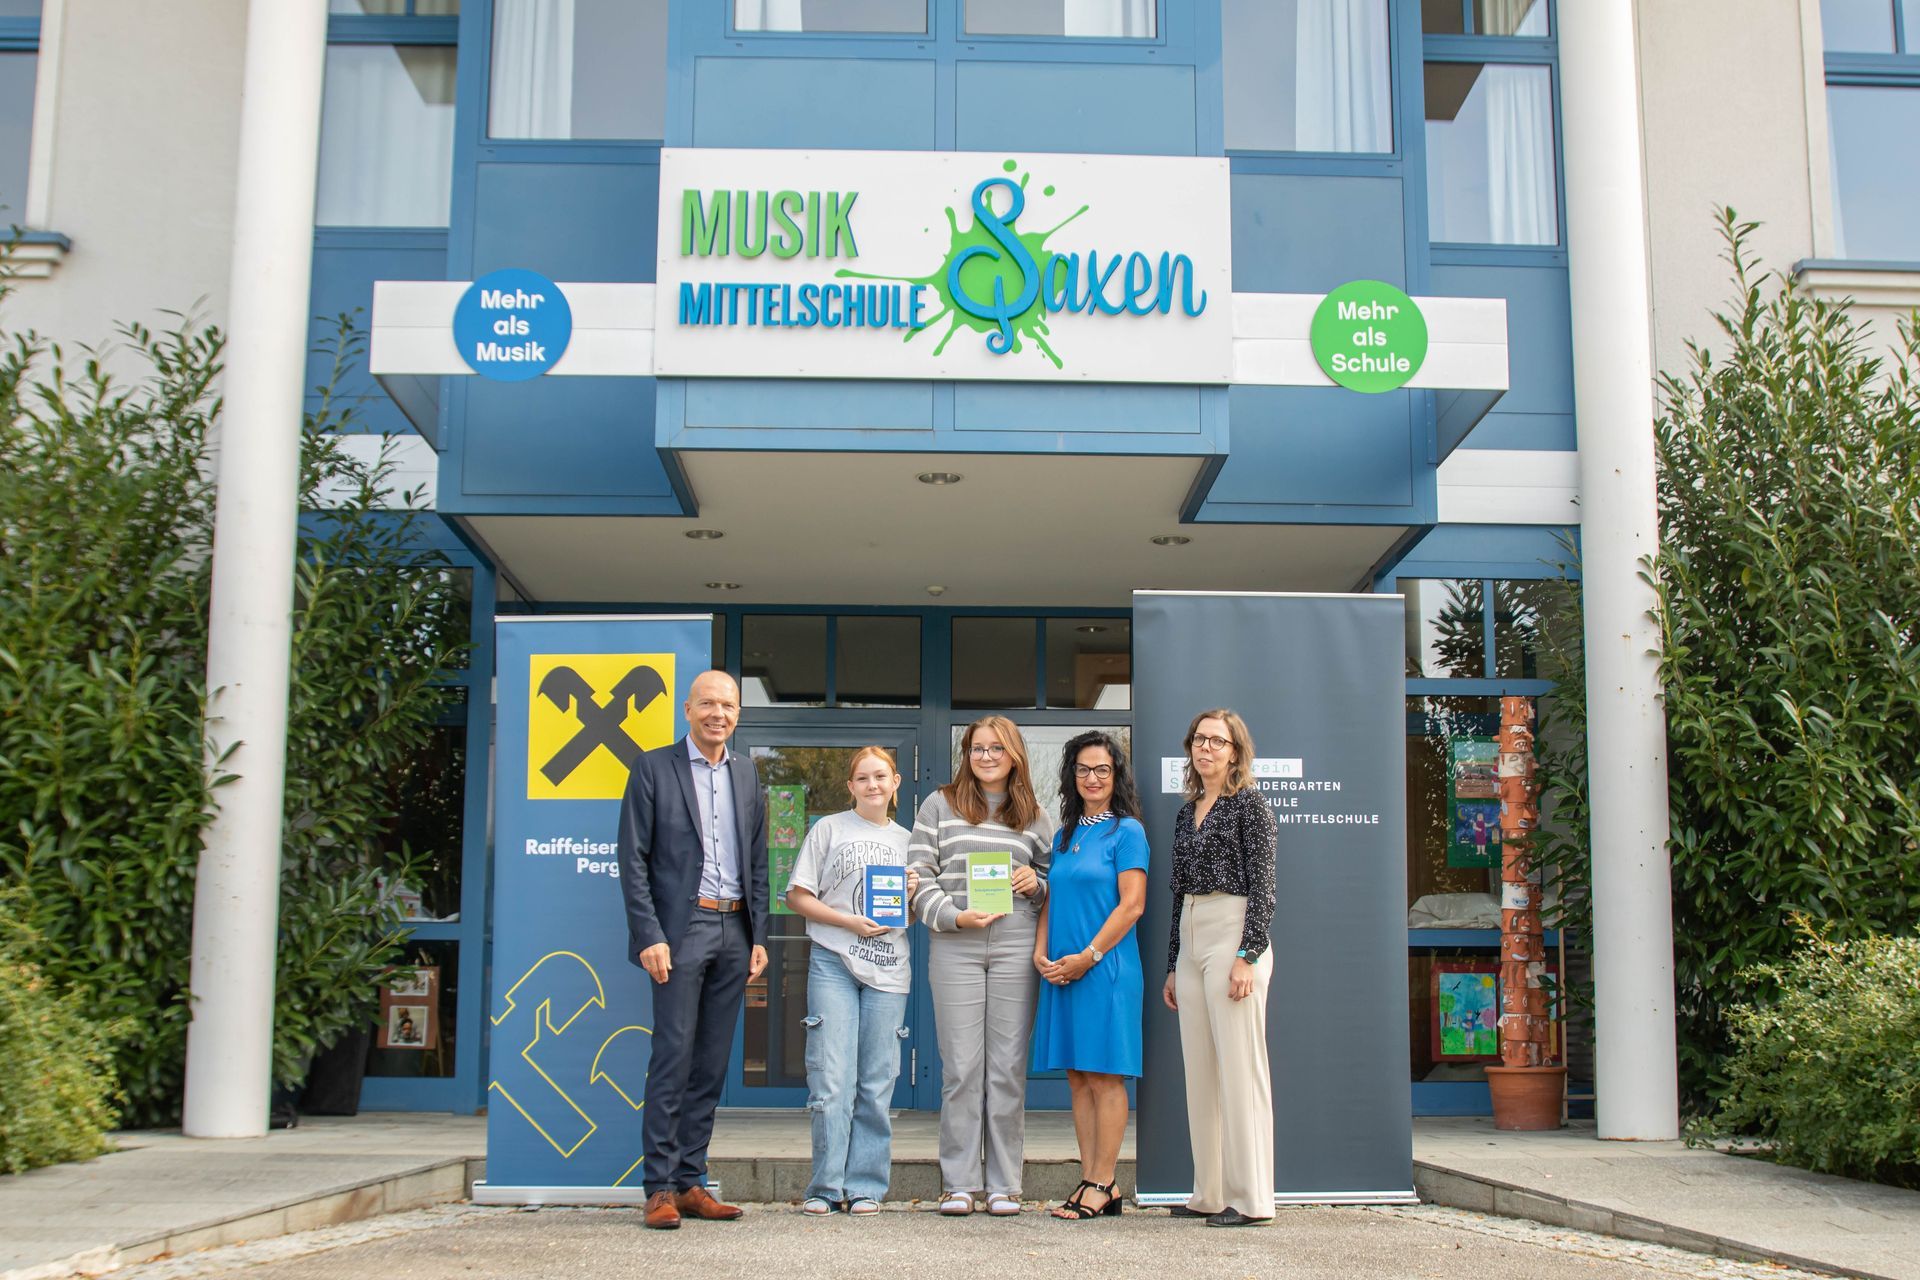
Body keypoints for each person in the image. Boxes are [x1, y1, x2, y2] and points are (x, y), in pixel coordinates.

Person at [616, 669, 769, 1231]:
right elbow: (632, 859)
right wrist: (649, 935)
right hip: (681, 931)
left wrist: (759, 936)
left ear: (738, 713)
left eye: (727, 705)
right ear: (688, 710)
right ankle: (658, 1187)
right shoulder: (654, 767)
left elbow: (757, 860)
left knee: (710, 1063)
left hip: (735, 930)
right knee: (673, 1057)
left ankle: (689, 1181)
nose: (717, 714)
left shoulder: (747, 773)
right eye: (707, 704)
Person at [907, 716, 1055, 1217]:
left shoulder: (1035, 815)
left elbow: (1053, 882)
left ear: (1014, 755)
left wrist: (1036, 884)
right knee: (961, 1068)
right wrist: (953, 916)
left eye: (996, 748)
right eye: (977, 748)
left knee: (1007, 1068)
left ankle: (1004, 1184)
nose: (986, 757)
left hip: (1015, 942)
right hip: (956, 943)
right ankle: (959, 1183)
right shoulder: (939, 804)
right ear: (966, 754)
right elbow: (918, 873)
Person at [784, 746, 917, 1217]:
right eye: (862, 778)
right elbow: (798, 896)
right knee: (830, 1079)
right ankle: (825, 1186)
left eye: (880, 776)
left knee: (877, 1082)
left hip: (888, 967)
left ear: (895, 782)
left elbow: (917, 912)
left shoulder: (910, 841)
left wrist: (914, 894)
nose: (872, 785)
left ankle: (865, 1187)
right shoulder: (829, 829)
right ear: (850, 786)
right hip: (833, 961)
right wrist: (848, 922)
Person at [1161, 708, 1277, 1228]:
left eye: (1217, 741)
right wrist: (1173, 964)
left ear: (1235, 751)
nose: (1206, 748)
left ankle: (1252, 1199)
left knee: (1239, 1070)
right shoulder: (1186, 813)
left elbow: (1264, 886)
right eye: (1199, 740)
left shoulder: (1250, 804)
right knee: (1201, 1073)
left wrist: (1248, 954)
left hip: (1233, 931)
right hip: (1191, 932)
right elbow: (1177, 893)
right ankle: (1208, 1192)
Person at [1031, 730, 1149, 1220]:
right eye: (1083, 769)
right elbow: (1052, 899)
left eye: (1102, 769)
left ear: (1116, 775)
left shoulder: (1128, 832)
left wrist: (1089, 956)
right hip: (1063, 971)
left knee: (1104, 1076)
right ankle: (1091, 1180)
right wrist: (1040, 952)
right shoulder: (1064, 835)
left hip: (1106, 970)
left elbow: (1132, 905)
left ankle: (1103, 1181)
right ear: (1072, 776)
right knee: (1078, 1077)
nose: (1093, 778)